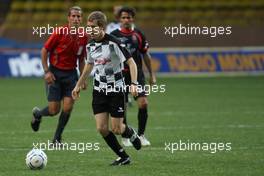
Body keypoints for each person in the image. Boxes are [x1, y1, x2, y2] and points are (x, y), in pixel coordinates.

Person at [72, 11, 141, 166]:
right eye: (87, 27)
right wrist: (78, 85)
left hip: (116, 90)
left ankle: (130, 132)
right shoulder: (90, 45)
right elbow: (89, 65)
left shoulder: (114, 43)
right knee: (102, 128)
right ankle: (123, 157)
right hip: (99, 91)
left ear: (102, 27)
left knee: (116, 129)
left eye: (92, 27)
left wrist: (134, 83)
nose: (89, 30)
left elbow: (131, 63)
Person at [30, 6, 88, 144]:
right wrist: (47, 71)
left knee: (68, 107)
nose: (76, 19)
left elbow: (81, 59)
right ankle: (38, 114)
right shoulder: (59, 32)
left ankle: (57, 138)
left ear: (81, 19)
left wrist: (82, 78)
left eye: (78, 16)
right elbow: (44, 50)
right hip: (55, 74)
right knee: (54, 110)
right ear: (68, 18)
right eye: (73, 16)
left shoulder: (84, 36)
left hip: (71, 75)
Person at [111, 6, 156, 146]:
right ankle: (125, 136)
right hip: (120, 76)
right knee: (122, 106)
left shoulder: (139, 35)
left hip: (137, 75)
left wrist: (152, 75)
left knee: (143, 103)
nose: (126, 20)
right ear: (119, 19)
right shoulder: (113, 35)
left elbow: (146, 55)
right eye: (123, 17)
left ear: (132, 19)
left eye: (128, 17)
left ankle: (141, 135)